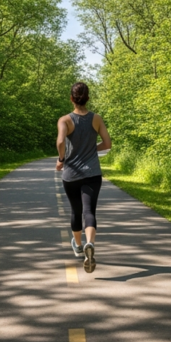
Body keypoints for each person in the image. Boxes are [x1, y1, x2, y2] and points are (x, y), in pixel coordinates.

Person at [56, 82, 112, 273]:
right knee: (89, 211)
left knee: (75, 211)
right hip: (93, 174)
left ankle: (79, 246)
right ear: (88, 98)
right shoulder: (96, 118)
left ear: (71, 98)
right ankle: (91, 243)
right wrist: (91, 149)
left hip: (71, 174)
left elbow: (61, 141)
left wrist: (61, 159)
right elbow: (107, 143)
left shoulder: (65, 120)